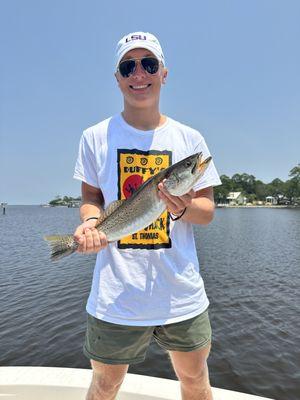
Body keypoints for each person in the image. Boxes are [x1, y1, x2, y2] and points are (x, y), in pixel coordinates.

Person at [73, 31, 221, 400]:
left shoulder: (190, 139)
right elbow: (91, 197)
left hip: (182, 294)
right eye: (129, 66)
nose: (139, 74)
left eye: (149, 64)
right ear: (118, 77)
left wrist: (184, 206)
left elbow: (207, 212)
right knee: (105, 385)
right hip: (115, 296)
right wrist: (92, 222)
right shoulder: (94, 137)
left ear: (163, 73)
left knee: (195, 381)